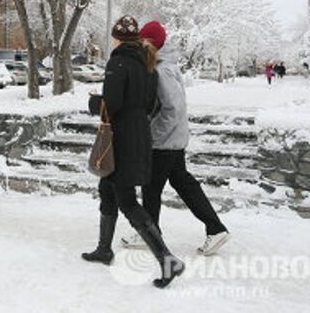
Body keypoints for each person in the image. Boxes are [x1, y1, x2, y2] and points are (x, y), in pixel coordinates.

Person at [82, 15, 184, 289]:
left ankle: (167, 260)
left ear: (117, 37)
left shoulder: (118, 61)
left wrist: (95, 103)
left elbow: (112, 104)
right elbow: (151, 105)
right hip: (139, 135)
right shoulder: (147, 62)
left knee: (126, 200)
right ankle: (104, 249)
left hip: (121, 138)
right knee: (107, 188)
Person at [122, 21, 230, 256]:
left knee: (151, 187)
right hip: (173, 138)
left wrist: (153, 135)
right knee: (182, 183)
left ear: (150, 43)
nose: (140, 45)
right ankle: (215, 228)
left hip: (165, 141)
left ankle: (151, 232)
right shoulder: (164, 64)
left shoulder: (162, 70)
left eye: (143, 41)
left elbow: (173, 107)